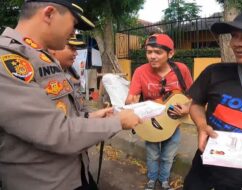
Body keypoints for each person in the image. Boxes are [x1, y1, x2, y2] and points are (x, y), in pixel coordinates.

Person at [0, 1, 141, 190]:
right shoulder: (7, 60)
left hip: (75, 173)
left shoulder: (41, 57)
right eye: (73, 24)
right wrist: (118, 122)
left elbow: (56, 114)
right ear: (49, 14)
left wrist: (90, 117)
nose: (74, 34)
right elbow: (55, 131)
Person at [183, 8, 242, 190]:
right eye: (235, 36)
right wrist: (201, 125)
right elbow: (195, 103)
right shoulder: (214, 72)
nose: (237, 43)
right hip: (206, 172)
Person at [125, 33, 193, 190]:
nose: (152, 56)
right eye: (149, 52)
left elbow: (193, 96)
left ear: (170, 53)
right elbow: (131, 97)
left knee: (168, 156)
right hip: (150, 123)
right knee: (152, 155)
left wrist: (187, 108)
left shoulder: (181, 69)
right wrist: (130, 102)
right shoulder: (140, 71)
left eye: (158, 52)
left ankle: (163, 180)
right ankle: (151, 180)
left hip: (173, 124)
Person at [49, 35, 86, 112]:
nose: (76, 53)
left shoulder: (70, 71)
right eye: (72, 48)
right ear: (52, 49)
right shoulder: (43, 74)